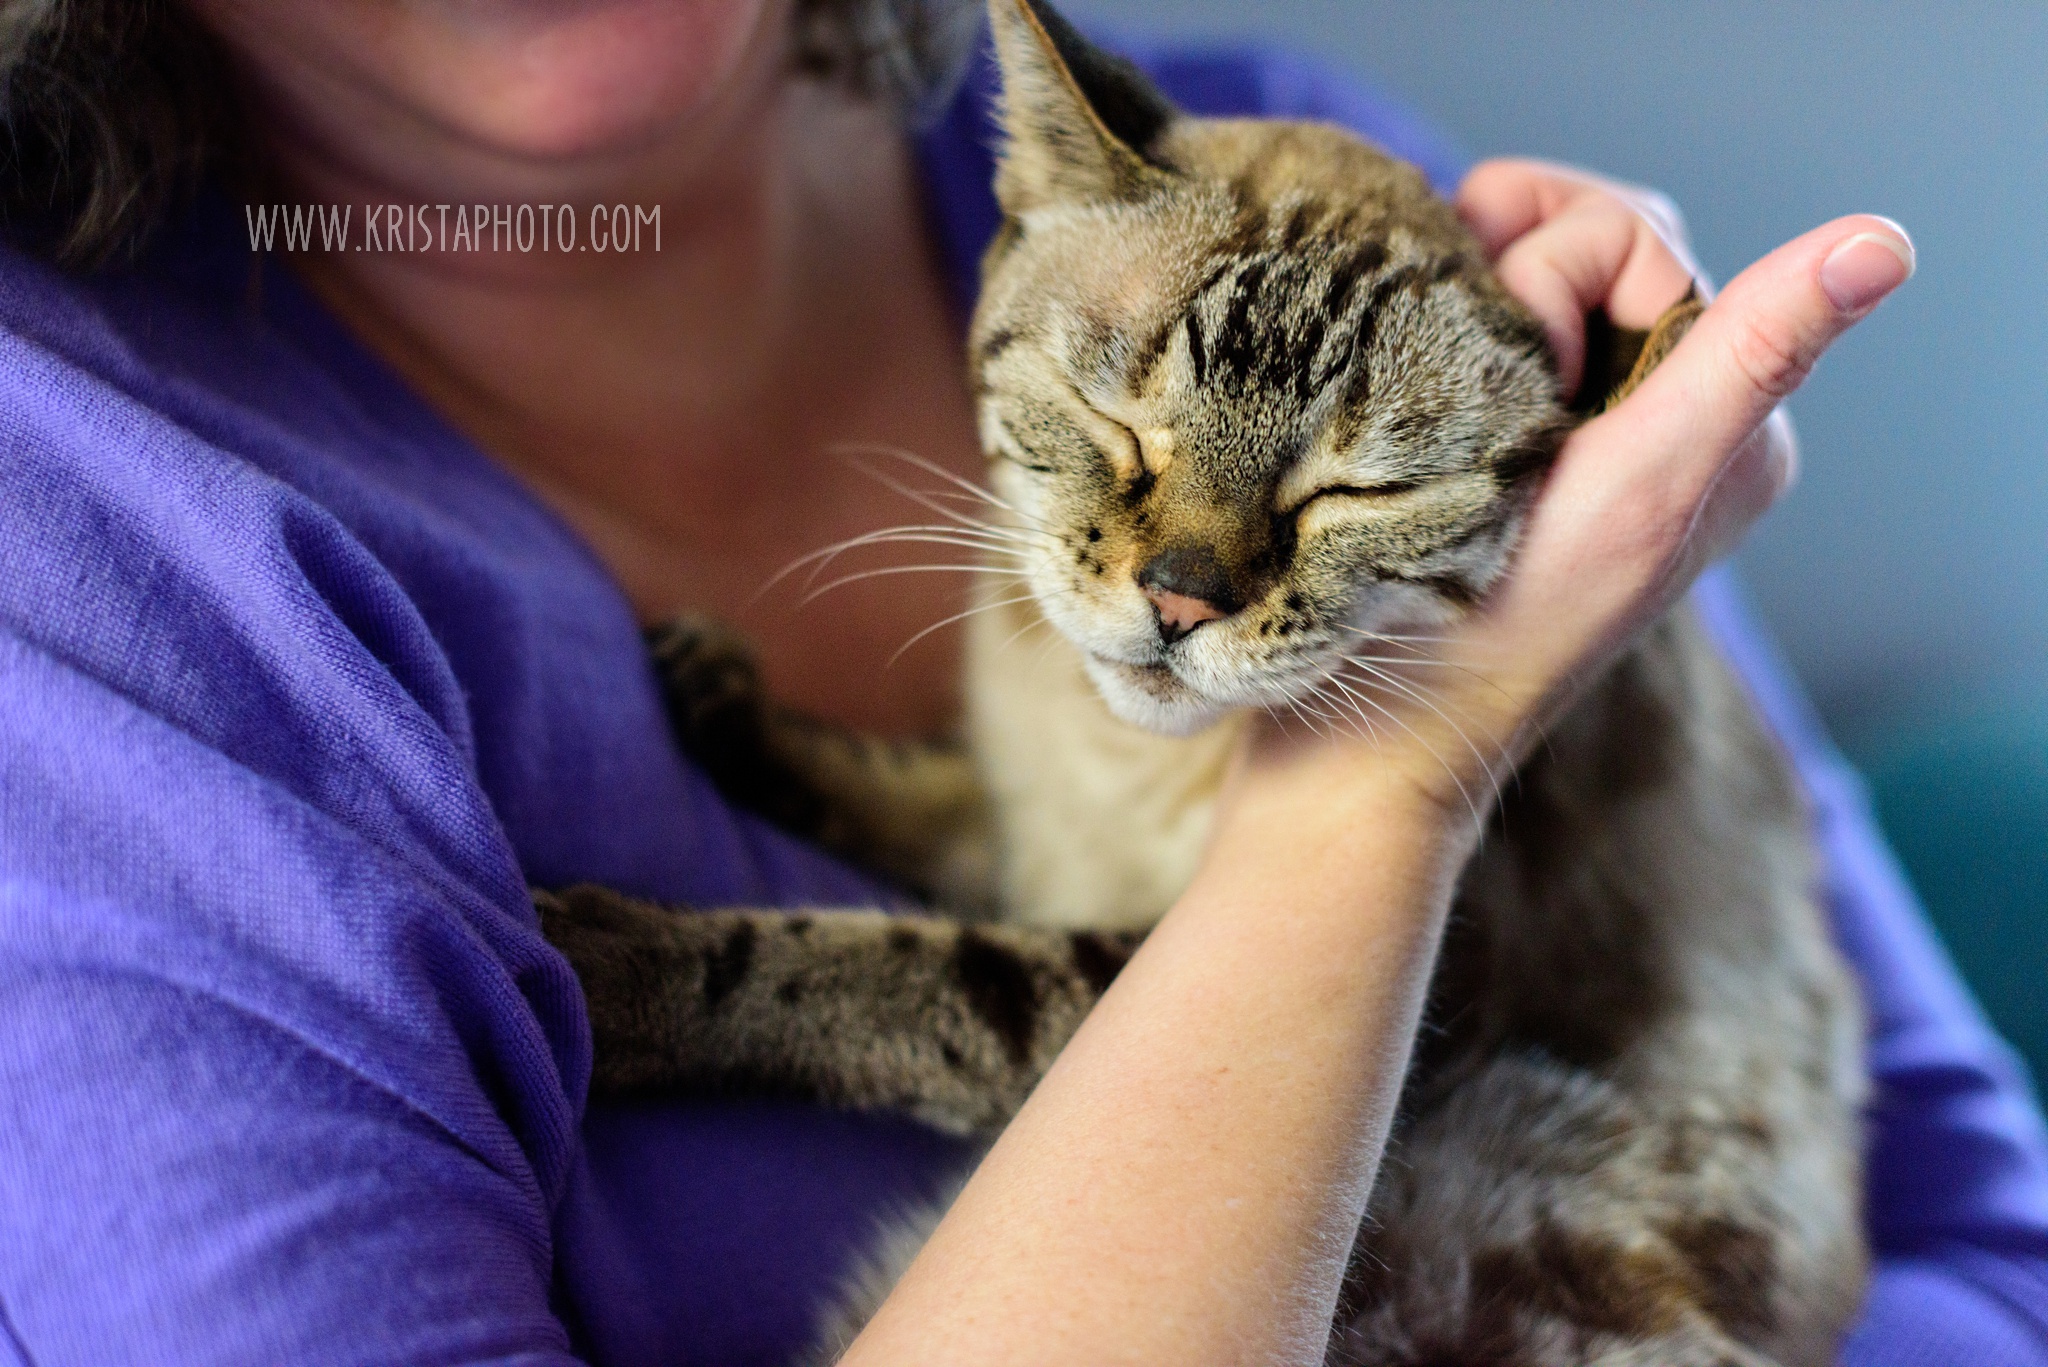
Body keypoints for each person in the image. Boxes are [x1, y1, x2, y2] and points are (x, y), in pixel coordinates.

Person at [0, 0, 2041, 1363]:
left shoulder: (1281, 150)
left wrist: (1573, 642)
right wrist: (1380, 781)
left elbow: (1962, 1229)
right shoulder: (73, 518)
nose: (1174, 577)